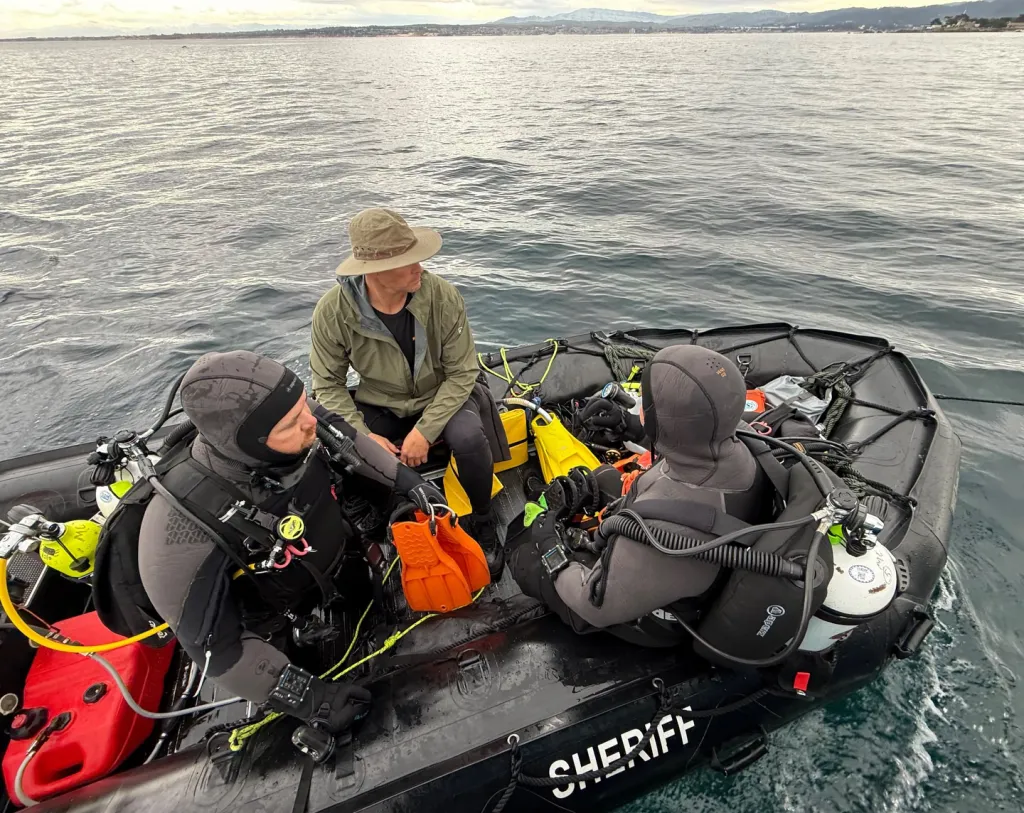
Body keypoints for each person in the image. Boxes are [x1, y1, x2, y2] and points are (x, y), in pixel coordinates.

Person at [137, 350, 446, 736]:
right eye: (290, 425)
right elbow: (219, 651)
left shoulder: (298, 416)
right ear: (250, 444)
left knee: (364, 595)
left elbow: (352, 440)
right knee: (303, 655)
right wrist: (311, 700)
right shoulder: (179, 527)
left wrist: (413, 485)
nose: (310, 422)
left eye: (305, 405)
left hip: (339, 557)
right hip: (280, 618)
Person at [508, 345, 778, 646]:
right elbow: (694, 440)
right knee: (603, 478)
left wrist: (549, 546)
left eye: (646, 407)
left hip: (656, 615)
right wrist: (631, 426)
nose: (643, 408)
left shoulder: (661, 534)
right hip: (695, 541)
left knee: (522, 546)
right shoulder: (742, 439)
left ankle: (531, 543)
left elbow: (594, 605)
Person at [309, 207, 509, 576]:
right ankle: (391, 521)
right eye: (408, 262)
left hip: (443, 395)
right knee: (349, 452)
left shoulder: (442, 296)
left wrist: (424, 431)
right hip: (380, 404)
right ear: (374, 271)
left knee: (467, 437)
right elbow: (328, 385)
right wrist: (366, 437)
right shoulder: (331, 313)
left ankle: (483, 517)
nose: (420, 268)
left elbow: (463, 372)